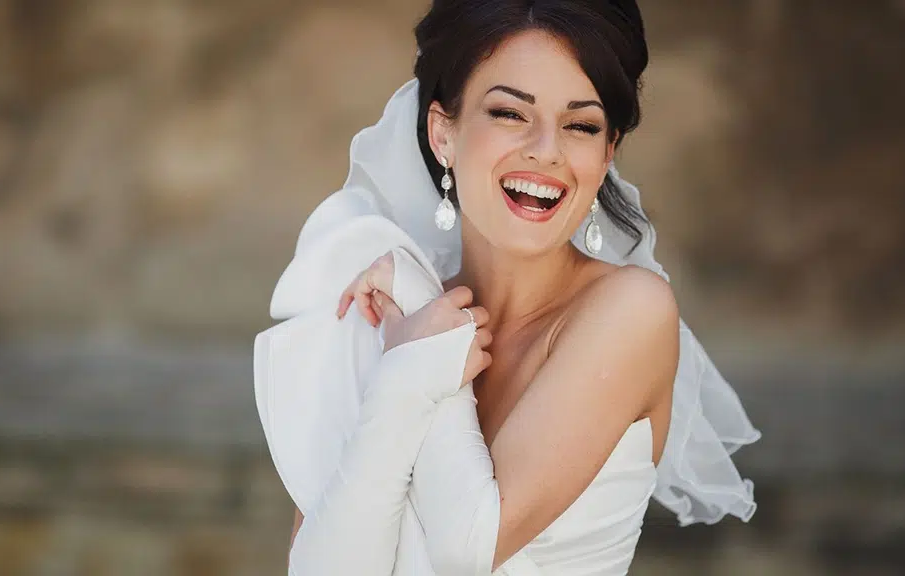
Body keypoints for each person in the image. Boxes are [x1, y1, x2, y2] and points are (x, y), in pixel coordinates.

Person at [253, 1, 760, 574]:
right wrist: (406, 358)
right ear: (443, 132)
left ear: (607, 152)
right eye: (509, 114)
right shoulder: (382, 316)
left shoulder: (630, 311)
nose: (546, 149)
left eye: (581, 125)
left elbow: (465, 546)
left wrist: (421, 352)